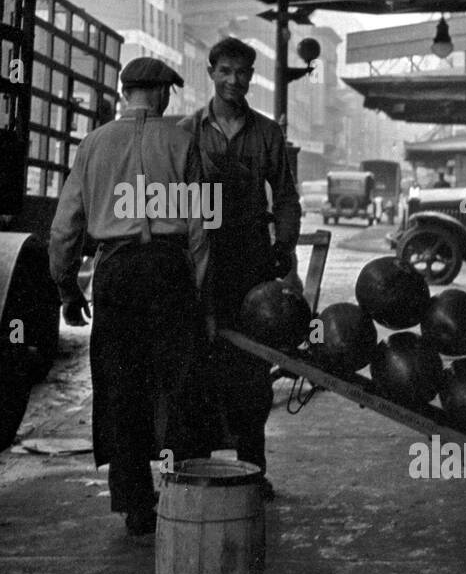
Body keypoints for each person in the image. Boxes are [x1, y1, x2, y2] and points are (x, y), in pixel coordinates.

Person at [49, 57, 209, 537]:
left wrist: (67, 288)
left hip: (115, 272)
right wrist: (198, 294)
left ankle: (136, 505)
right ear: (161, 93)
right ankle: (184, 493)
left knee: (122, 388)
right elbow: (202, 230)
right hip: (168, 268)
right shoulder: (184, 140)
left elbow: (64, 229)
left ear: (125, 94)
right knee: (177, 383)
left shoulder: (93, 144)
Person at [179, 36, 302, 497]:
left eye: (243, 73)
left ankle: (252, 469)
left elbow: (287, 197)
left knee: (252, 369)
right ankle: (201, 467)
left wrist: (284, 243)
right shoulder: (188, 130)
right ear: (211, 72)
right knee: (200, 362)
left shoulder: (268, 134)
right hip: (203, 257)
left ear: (253, 77)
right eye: (225, 71)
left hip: (252, 259)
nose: (234, 80)